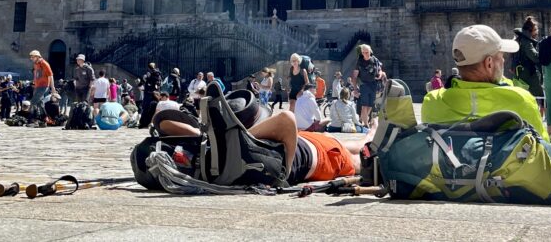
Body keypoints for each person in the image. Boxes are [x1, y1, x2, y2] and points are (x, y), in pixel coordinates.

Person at [154, 103, 362, 186]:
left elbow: (164, 124)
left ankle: (372, 132)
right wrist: (237, 136)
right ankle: (373, 136)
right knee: (362, 156)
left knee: (358, 142)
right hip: (321, 157)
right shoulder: (241, 143)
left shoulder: (214, 146)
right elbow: (287, 118)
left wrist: (207, 135)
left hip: (305, 141)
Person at [422, 25, 547, 139]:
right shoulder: (521, 99)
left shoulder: (432, 101)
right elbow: (543, 150)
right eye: (501, 56)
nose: (503, 61)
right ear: (489, 63)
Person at [513, 17, 544, 108]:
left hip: (520, 75)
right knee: (536, 99)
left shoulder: (520, 39)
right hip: (528, 76)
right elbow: (534, 57)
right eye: (536, 30)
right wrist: (543, 54)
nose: (537, 32)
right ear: (531, 30)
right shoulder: (527, 42)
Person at [350, 45, 383, 127]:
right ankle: (366, 124)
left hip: (374, 84)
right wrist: (355, 89)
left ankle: (363, 118)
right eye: (364, 52)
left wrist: (380, 74)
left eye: (367, 52)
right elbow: (354, 76)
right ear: (361, 53)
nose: (365, 54)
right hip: (363, 85)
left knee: (371, 105)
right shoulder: (359, 62)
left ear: (370, 51)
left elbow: (380, 70)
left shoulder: (374, 59)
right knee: (364, 105)